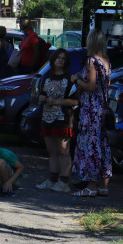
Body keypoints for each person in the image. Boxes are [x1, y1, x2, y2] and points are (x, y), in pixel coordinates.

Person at [71, 29, 113, 197]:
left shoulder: (91, 61)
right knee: (102, 145)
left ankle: (91, 185)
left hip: (91, 109)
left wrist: (77, 80)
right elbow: (106, 85)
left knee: (90, 145)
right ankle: (104, 186)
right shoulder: (106, 61)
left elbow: (91, 86)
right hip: (102, 107)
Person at [36, 48, 78, 193]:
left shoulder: (69, 78)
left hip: (63, 117)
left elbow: (75, 101)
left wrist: (56, 102)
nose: (60, 60)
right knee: (52, 150)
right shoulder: (46, 76)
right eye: (58, 57)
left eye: (63, 58)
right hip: (47, 117)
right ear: (53, 59)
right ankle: (52, 179)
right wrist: (42, 98)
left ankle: (64, 181)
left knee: (63, 150)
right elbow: (42, 94)